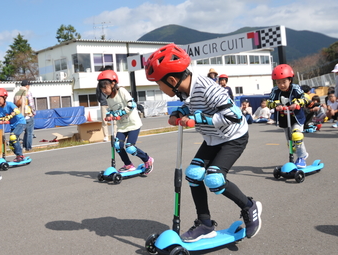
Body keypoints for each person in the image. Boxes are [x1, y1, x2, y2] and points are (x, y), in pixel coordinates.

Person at [144, 43, 262, 242]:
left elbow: (233, 116)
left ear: (172, 80)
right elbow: (191, 106)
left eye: (158, 84)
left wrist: (196, 120)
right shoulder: (184, 89)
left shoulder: (208, 88)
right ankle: (205, 224)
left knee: (214, 180)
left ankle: (249, 207)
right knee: (194, 175)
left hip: (233, 137)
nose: (159, 88)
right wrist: (179, 113)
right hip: (213, 138)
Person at [97, 70, 154, 175]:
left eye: (105, 87)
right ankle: (128, 165)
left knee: (130, 147)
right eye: (102, 89)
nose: (104, 91)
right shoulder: (108, 98)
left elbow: (131, 105)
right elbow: (111, 110)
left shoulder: (121, 91)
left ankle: (147, 159)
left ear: (113, 83)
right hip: (122, 126)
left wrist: (120, 113)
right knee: (117, 145)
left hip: (133, 124)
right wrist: (109, 115)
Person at [266, 64, 310, 168]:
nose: (281, 85)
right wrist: (276, 105)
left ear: (290, 80)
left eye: (284, 81)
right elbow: (268, 102)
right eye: (278, 82)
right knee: (290, 142)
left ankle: (302, 157)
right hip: (284, 119)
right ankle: (296, 155)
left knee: (297, 136)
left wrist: (297, 103)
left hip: (296, 118)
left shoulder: (295, 88)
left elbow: (306, 97)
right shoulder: (275, 91)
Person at [0, 88, 27, 162]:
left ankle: (20, 156)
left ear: (4, 98)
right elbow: (2, 117)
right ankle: (18, 155)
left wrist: (10, 116)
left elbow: (16, 111)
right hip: (13, 125)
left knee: (13, 137)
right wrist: (2, 120)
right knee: (11, 143)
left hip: (20, 122)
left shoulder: (10, 104)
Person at [14, 80, 36, 151]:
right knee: (29, 133)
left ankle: (23, 147)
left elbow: (14, 105)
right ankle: (28, 147)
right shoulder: (28, 92)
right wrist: (34, 112)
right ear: (27, 85)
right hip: (27, 115)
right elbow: (31, 104)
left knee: (21, 133)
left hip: (19, 116)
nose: (29, 87)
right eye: (29, 85)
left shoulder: (16, 93)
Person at [96, 67, 112, 142]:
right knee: (104, 120)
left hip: (112, 103)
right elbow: (98, 93)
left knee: (114, 120)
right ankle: (106, 136)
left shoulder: (112, 81)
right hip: (104, 104)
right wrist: (101, 101)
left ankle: (115, 134)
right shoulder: (100, 83)